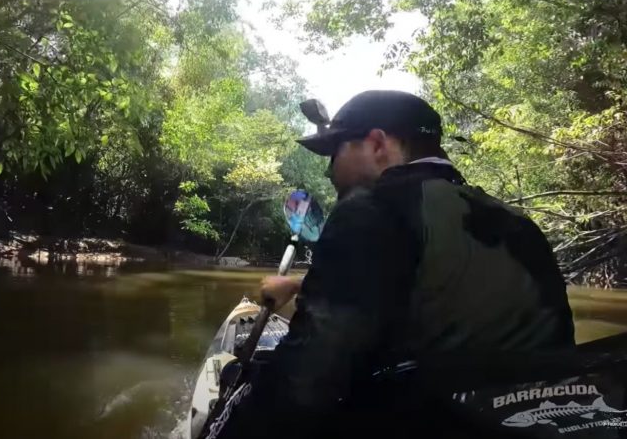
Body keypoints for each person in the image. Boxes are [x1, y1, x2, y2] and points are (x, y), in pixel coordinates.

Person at [207, 90, 575, 439]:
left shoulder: (372, 210)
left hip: (422, 422)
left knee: (246, 389)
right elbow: (445, 289)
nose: (329, 172)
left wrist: (243, 399)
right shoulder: (519, 223)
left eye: (335, 152)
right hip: (528, 421)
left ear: (378, 145)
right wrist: (303, 285)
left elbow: (307, 380)